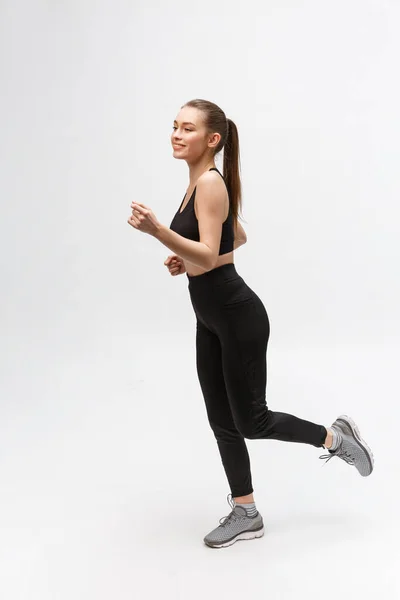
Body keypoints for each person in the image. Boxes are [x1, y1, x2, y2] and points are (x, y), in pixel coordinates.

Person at [127, 98, 374, 549]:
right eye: (174, 126)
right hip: (210, 319)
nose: (177, 135)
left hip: (237, 316)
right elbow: (233, 236)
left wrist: (161, 232)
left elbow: (209, 247)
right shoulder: (197, 183)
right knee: (221, 420)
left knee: (252, 421)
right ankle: (246, 512)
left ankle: (336, 438)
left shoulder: (210, 184)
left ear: (212, 139)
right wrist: (189, 259)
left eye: (187, 128)